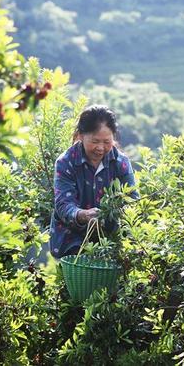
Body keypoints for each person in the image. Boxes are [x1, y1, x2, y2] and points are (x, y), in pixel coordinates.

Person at [49, 105, 137, 258]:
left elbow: (133, 200)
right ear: (81, 136)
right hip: (72, 241)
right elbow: (63, 204)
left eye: (106, 141)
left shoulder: (120, 163)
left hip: (110, 240)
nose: (100, 148)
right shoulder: (66, 162)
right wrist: (82, 215)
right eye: (95, 141)